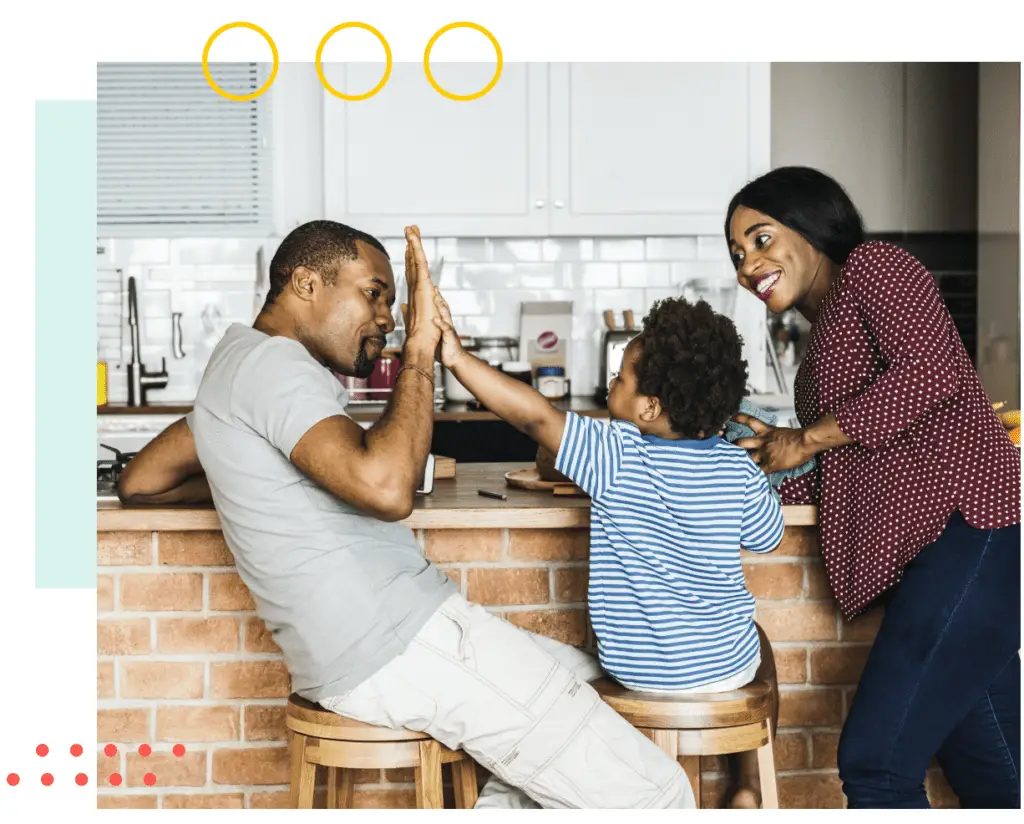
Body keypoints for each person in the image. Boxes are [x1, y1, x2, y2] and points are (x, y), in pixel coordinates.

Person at [116, 219, 694, 810]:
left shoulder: (237, 365)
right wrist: (422, 349)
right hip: (400, 642)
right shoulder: (274, 368)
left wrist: (256, 485)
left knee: (585, 675)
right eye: (373, 293)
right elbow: (389, 489)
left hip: (369, 649)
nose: (388, 318)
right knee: (662, 796)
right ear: (306, 284)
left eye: (394, 302)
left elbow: (141, 482)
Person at [724, 166, 1021, 809]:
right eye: (738, 254)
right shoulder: (819, 349)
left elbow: (933, 371)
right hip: (932, 565)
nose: (749, 264)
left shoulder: (874, 266)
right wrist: (756, 464)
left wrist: (801, 441)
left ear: (809, 223)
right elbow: (848, 466)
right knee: (997, 782)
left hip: (966, 534)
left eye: (762, 238)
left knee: (876, 763)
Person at [431, 292, 784, 807]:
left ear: (649, 407)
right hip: (723, 673)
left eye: (619, 378)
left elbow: (535, 418)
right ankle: (748, 781)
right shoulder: (738, 470)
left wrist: (458, 359)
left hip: (636, 672)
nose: (612, 383)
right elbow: (767, 537)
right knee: (758, 641)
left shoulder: (614, 453)